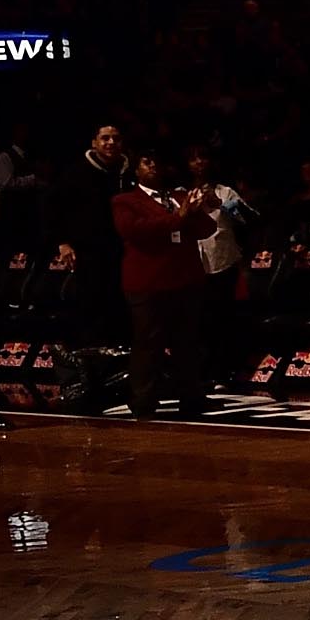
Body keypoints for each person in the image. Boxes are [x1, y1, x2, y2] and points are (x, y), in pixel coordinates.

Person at [111, 151, 220, 419]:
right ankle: (144, 400)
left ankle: (191, 395)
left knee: (188, 342)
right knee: (149, 342)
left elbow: (207, 228)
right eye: (147, 162)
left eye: (157, 162)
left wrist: (193, 212)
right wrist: (179, 217)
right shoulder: (125, 200)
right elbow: (136, 231)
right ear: (135, 170)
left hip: (185, 279)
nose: (154, 167)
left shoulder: (179, 195)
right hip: (148, 282)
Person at [55, 122, 132, 341]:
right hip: (88, 253)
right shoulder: (75, 173)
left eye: (116, 138)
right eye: (105, 138)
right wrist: (63, 242)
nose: (111, 143)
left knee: (121, 307)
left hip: (124, 252)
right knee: (90, 306)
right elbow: (54, 208)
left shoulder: (129, 172)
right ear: (94, 143)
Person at [186, 147, 254, 393]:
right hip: (191, 264)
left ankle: (224, 373)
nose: (199, 162)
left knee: (223, 320)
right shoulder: (181, 193)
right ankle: (199, 373)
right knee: (197, 322)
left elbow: (249, 219)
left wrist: (221, 205)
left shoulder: (225, 191)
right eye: (193, 159)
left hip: (223, 262)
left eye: (202, 157)